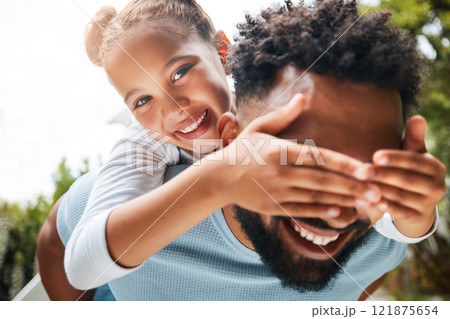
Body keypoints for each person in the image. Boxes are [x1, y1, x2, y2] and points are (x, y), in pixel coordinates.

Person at [38, 0, 445, 300]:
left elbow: (394, 227)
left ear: (222, 52)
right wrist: (220, 179)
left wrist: (418, 212)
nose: (173, 108)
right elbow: (79, 260)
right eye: (142, 101)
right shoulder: (143, 147)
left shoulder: (265, 98)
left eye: (180, 72)